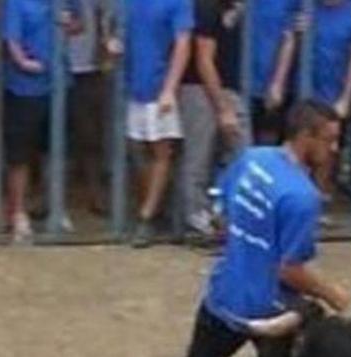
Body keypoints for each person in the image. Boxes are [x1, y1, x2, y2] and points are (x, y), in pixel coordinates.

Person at [121, 100, 351, 357]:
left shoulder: (253, 159)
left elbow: (224, 216)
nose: (333, 149)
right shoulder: (302, 197)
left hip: (225, 291)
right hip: (270, 309)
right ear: (306, 136)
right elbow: (288, 268)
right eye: (328, 140)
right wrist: (333, 294)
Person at [0, 0, 81, 241]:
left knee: (57, 151)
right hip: (24, 87)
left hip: (59, 83)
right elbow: (10, 39)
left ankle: (55, 206)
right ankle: (19, 213)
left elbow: (79, 25)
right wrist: (23, 62)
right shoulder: (16, 3)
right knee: (19, 155)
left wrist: (70, 24)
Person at [122, 0, 194, 247]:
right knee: (138, 150)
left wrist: (169, 89)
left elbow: (183, 45)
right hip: (136, 88)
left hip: (158, 87)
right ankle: (153, 211)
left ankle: (147, 217)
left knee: (160, 151)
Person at [177, 0, 251, 239]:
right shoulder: (206, 7)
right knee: (198, 158)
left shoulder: (233, 9)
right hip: (200, 89)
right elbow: (204, 59)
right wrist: (222, 108)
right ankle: (195, 220)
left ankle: (222, 215)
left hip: (225, 87)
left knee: (238, 155)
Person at [309, 0, 351, 197]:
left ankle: (319, 195)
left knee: (329, 149)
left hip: (334, 93)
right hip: (307, 89)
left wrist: (346, 97)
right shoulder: (309, 8)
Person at [67, 0, 112, 220]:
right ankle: (48, 196)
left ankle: (95, 193)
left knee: (92, 135)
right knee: (46, 136)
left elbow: (108, 23)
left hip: (92, 70)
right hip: (60, 66)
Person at [249, 0, 302, 145]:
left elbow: (289, 39)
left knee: (268, 144)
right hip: (243, 81)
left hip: (270, 86)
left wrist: (277, 83)